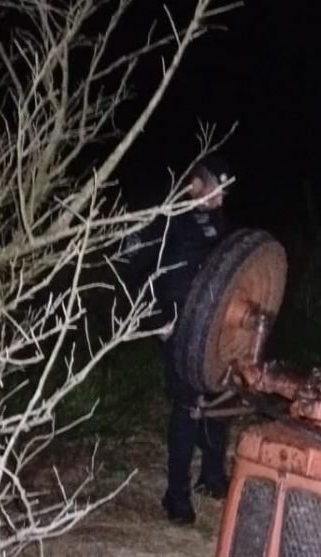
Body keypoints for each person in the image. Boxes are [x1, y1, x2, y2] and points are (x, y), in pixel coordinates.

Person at [129, 153, 234, 523]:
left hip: (210, 325)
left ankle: (213, 476)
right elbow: (134, 269)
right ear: (196, 184)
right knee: (188, 406)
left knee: (222, 394)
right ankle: (176, 497)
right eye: (216, 192)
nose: (221, 201)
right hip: (175, 327)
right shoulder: (164, 217)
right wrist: (157, 320)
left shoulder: (215, 218)